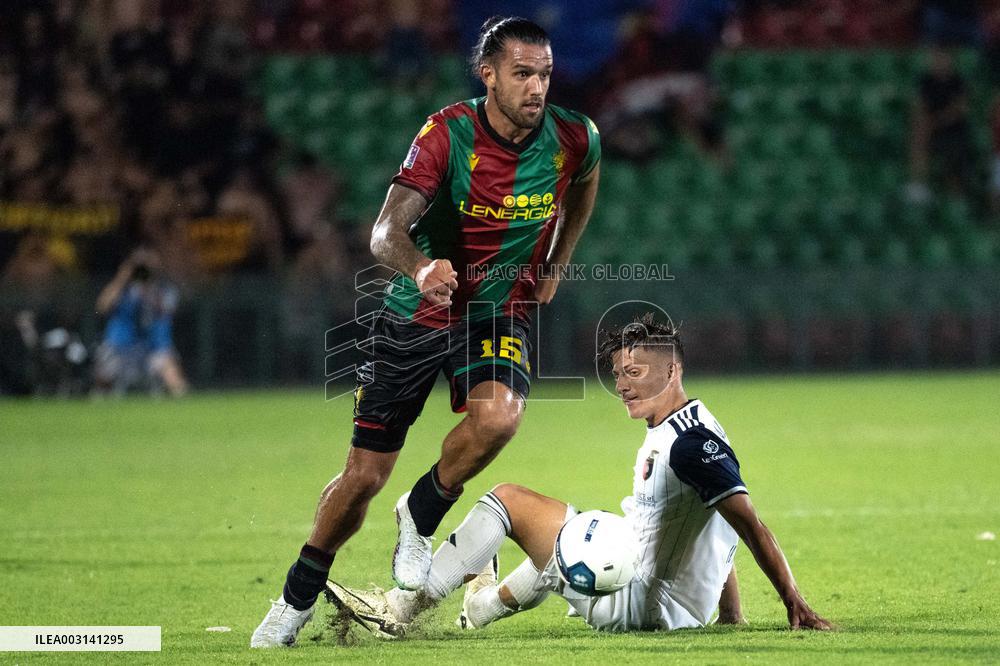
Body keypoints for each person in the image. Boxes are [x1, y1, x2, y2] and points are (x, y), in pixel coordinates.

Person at [250, 15, 601, 648]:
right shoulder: (447, 134)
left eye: (545, 74)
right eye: (522, 74)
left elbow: (584, 184)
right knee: (361, 477)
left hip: (497, 310)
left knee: (499, 419)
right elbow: (384, 232)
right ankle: (294, 600)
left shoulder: (575, 137)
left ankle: (423, 510)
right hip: (417, 314)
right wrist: (420, 265)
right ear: (487, 74)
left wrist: (557, 259)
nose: (537, 88)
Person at [327, 313, 832, 636]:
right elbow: (716, 526)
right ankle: (480, 607)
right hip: (666, 602)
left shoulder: (688, 444)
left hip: (637, 603)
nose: (623, 386)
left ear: (672, 371)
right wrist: (728, 617)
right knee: (577, 530)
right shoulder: (697, 424)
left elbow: (748, 526)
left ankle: (399, 610)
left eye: (634, 374)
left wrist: (795, 603)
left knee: (506, 501)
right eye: (618, 375)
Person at [93, 248, 188, 397]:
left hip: (152, 348)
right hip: (121, 348)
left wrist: (149, 287)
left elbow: (167, 310)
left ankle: (183, 408)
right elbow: (102, 307)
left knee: (172, 374)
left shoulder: (164, 289)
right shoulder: (123, 290)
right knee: (103, 379)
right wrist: (123, 276)